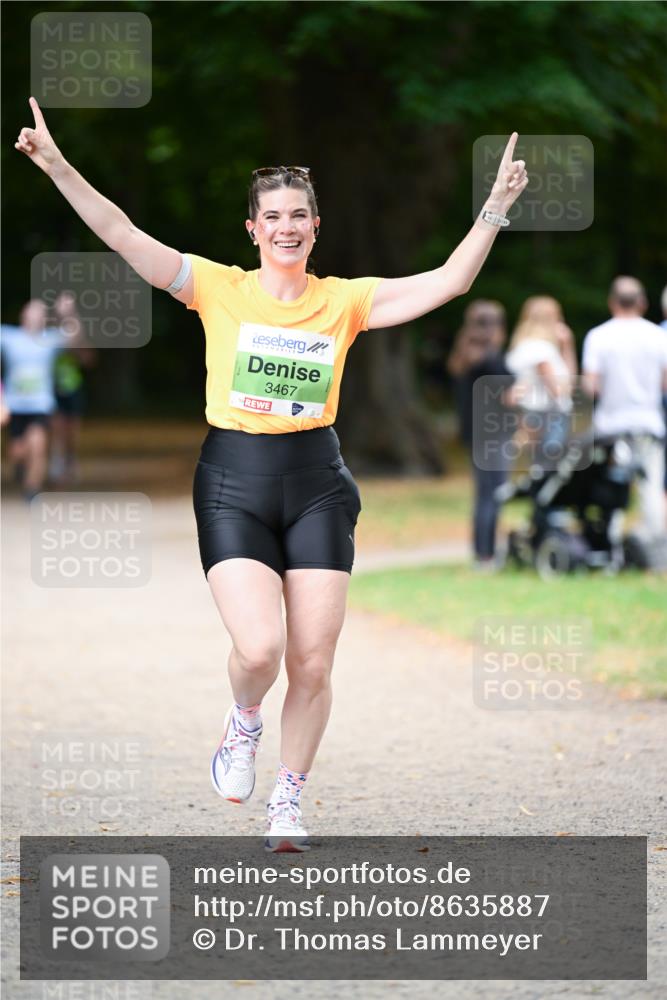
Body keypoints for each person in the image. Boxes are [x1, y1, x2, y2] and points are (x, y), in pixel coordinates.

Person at [15, 97, 529, 851]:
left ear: (314, 228)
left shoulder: (344, 300)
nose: (286, 227)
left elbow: (448, 282)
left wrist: (493, 208)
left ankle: (288, 800)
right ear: (252, 230)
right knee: (258, 651)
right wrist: (58, 164)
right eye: (273, 216)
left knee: (312, 661)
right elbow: (122, 234)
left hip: (316, 479)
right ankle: (243, 720)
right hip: (233, 478)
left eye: (299, 216)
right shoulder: (216, 288)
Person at [582, 276, 667, 543]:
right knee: (651, 487)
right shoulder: (658, 336)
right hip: (648, 423)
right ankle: (656, 549)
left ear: (612, 303)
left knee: (612, 486)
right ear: (642, 302)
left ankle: (611, 543)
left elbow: (590, 387)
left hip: (611, 426)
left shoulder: (598, 336)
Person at [447, 299, 514, 569]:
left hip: (475, 434)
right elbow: (508, 397)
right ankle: (486, 555)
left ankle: (481, 552)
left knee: (483, 494)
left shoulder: (464, 355)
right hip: (493, 433)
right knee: (494, 493)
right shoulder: (492, 359)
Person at [1, 293, 81, 500]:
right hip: (15, 406)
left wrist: (69, 314)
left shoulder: (50, 339)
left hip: (41, 405)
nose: (36, 316)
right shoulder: (10, 337)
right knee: (18, 452)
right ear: (23, 315)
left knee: (38, 447)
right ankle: (20, 466)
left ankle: (32, 490)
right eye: (32, 311)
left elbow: (74, 338)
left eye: (40, 313)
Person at [504, 296, 577, 470]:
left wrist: (565, 345)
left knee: (537, 464)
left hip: (530, 410)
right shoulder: (542, 350)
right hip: (551, 413)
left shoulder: (521, 346)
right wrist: (568, 344)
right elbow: (561, 389)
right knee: (549, 465)